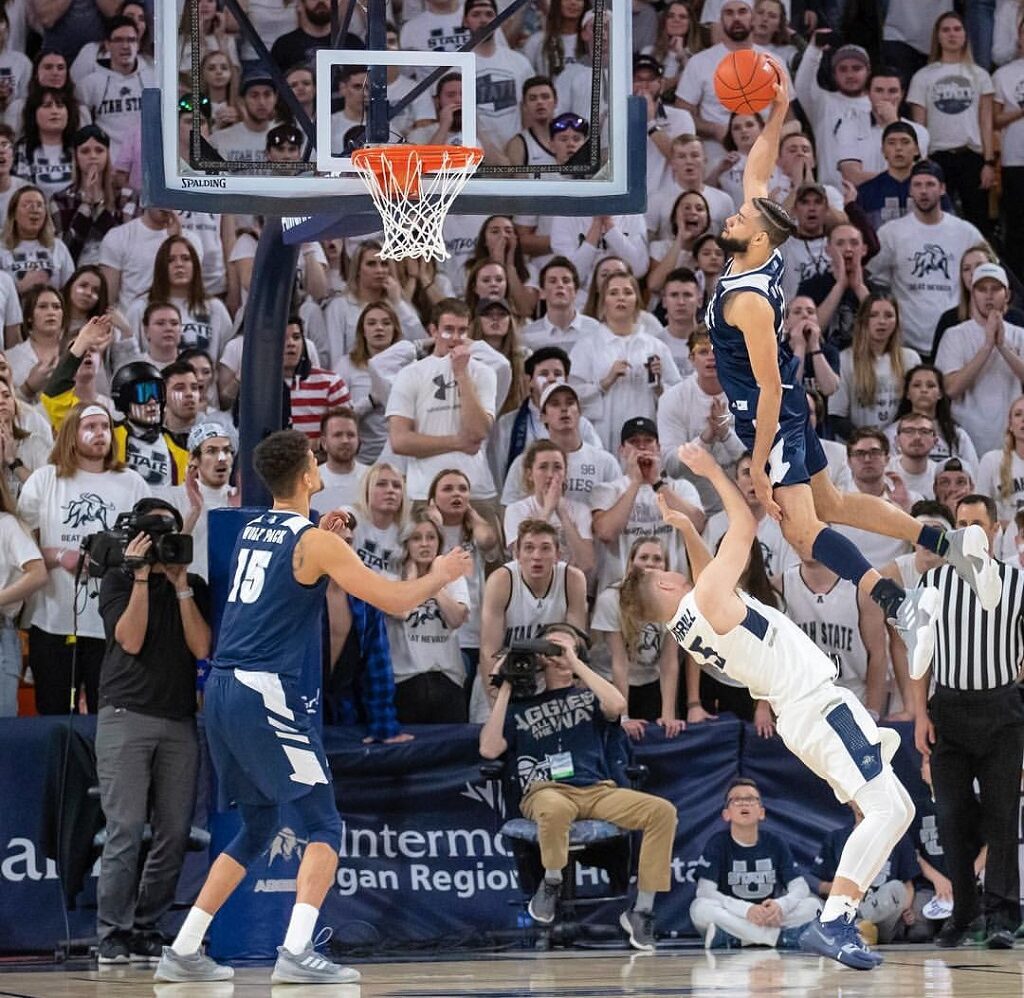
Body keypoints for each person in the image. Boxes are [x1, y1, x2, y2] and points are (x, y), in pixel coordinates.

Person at [707, 66, 999, 669]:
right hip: (782, 406)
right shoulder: (750, 261)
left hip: (772, 414)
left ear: (760, 239)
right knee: (834, 505)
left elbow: (764, 391)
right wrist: (781, 107)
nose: (732, 219)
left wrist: (758, 468)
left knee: (801, 531)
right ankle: (953, 548)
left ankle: (900, 605)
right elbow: (757, 170)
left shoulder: (748, 301)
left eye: (741, 220)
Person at [156, 430, 471, 984]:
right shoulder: (316, 543)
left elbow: (291, 568)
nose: (320, 462)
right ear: (305, 475)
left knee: (256, 826)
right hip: (263, 689)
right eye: (314, 458)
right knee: (324, 824)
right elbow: (394, 600)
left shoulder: (258, 526)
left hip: (224, 690)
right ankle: (297, 952)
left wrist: (326, 542)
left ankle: (183, 949)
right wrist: (441, 575)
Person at [620, 442, 920, 970]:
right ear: (667, 583)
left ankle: (839, 914)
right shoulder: (707, 598)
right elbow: (742, 528)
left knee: (895, 810)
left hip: (803, 717)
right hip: (820, 708)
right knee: (888, 810)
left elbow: (709, 575)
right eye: (670, 570)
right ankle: (835, 921)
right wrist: (711, 471)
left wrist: (687, 530)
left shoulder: (688, 623)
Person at [478, 622, 678, 951]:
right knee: (555, 808)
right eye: (551, 649)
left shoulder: (589, 695)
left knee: (662, 811)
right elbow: (489, 748)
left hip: (597, 790)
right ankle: (552, 880)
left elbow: (617, 705)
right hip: (545, 791)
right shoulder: (522, 706)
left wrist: (576, 662)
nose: (557, 655)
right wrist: (506, 687)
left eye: (565, 649)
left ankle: (641, 910)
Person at [94, 497, 210, 965]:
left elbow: (202, 646)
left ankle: (146, 924)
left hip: (179, 719)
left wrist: (181, 586)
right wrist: (141, 574)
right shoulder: (118, 580)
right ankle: (112, 931)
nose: (162, 547)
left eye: (169, 538)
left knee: (175, 830)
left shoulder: (195, 585)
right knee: (123, 827)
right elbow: (131, 639)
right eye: (154, 538)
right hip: (126, 715)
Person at [911, 493, 1024, 950]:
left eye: (978, 523)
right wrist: (920, 714)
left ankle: (1001, 915)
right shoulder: (931, 584)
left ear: (995, 530)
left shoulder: (1017, 583)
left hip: (1002, 712)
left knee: (1002, 818)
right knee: (952, 818)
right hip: (949, 712)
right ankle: (964, 913)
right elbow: (919, 657)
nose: (970, 531)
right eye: (962, 524)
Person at [17, 401, 149, 714]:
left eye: (105, 427)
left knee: (110, 715)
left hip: (112, 619)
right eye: (90, 427)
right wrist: (60, 555)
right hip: (53, 619)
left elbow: (148, 542)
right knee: (54, 712)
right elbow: (18, 544)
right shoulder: (46, 479)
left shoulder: (132, 483)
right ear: (71, 434)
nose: (100, 433)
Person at [386, 298, 499, 508]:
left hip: (476, 488)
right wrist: (457, 442)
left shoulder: (484, 373)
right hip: (424, 491)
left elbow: (478, 432)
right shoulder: (410, 374)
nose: (456, 338)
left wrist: (461, 373)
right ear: (433, 331)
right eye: (448, 330)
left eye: (462, 331)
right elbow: (399, 441)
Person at [867, 160, 984, 357]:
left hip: (954, 338)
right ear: (910, 190)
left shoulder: (966, 232)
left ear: (942, 189)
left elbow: (988, 272)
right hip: (906, 342)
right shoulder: (891, 233)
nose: (923, 191)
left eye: (930, 184)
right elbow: (872, 278)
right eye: (917, 185)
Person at [692, 777, 821, 950]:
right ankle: (781, 938)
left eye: (751, 799)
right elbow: (705, 891)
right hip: (735, 914)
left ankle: (737, 939)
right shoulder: (717, 843)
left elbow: (800, 887)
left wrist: (781, 906)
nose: (744, 804)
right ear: (726, 814)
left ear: (761, 812)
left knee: (813, 905)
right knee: (700, 908)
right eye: (736, 800)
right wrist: (746, 910)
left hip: (769, 917)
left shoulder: (775, 842)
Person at [477, 518, 587, 711]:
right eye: (529, 548)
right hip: (504, 677)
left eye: (545, 548)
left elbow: (575, 645)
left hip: (551, 677)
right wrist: (496, 703)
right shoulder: (501, 581)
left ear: (558, 555)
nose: (537, 556)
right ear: (516, 554)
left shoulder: (573, 579)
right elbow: (488, 651)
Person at [592, 536, 683, 740]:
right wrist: (623, 717)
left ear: (666, 566)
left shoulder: (675, 603)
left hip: (649, 680)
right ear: (631, 563)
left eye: (657, 558)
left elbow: (669, 661)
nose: (650, 563)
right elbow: (620, 662)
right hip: (610, 681)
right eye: (643, 557)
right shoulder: (611, 599)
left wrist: (668, 714)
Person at [385, 510, 470, 724]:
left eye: (431, 537)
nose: (424, 544)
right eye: (416, 538)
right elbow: (402, 612)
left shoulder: (454, 578)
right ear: (406, 543)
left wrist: (435, 582)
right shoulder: (391, 578)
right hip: (405, 681)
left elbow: (456, 618)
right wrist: (416, 579)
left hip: (448, 678)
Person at [935, 262, 1024, 458]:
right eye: (982, 289)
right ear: (972, 294)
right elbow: (951, 389)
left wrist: (1002, 347)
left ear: (1007, 295)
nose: (989, 295)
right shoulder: (954, 335)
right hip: (967, 436)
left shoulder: (1020, 335)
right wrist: (987, 346)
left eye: (995, 289)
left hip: (1011, 435)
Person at [657, 327, 746, 515]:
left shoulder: (749, 396)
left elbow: (755, 463)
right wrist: (705, 438)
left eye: (718, 351)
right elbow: (671, 466)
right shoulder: (672, 399)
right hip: (693, 508)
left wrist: (725, 434)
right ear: (691, 358)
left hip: (744, 505)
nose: (711, 358)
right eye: (703, 352)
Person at [812, 803, 919, 945]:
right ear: (850, 801)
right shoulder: (836, 838)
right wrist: (835, 887)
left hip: (882, 916)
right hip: (846, 906)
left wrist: (906, 908)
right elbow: (816, 881)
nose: (863, 801)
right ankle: (855, 927)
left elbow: (907, 886)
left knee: (896, 888)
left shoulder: (897, 837)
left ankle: (853, 926)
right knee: (810, 901)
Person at [830, 293, 920, 438]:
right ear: (863, 320)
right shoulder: (845, 359)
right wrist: (868, 442)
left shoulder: (910, 358)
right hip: (857, 447)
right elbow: (836, 415)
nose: (882, 321)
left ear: (897, 320)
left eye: (889, 315)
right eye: (874, 315)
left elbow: (915, 409)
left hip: (898, 446)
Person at [503, 439, 594, 574]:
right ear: (529, 474)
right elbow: (520, 557)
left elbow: (586, 563)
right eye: (543, 467)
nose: (550, 474)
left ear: (565, 473)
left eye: (557, 467)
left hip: (568, 584)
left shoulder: (581, 510)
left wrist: (563, 515)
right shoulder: (516, 510)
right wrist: (548, 509)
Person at [310, 407, 367, 514]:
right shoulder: (309, 483)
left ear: (359, 440)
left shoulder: (372, 479)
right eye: (338, 435)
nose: (345, 440)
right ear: (324, 443)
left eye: (350, 435)